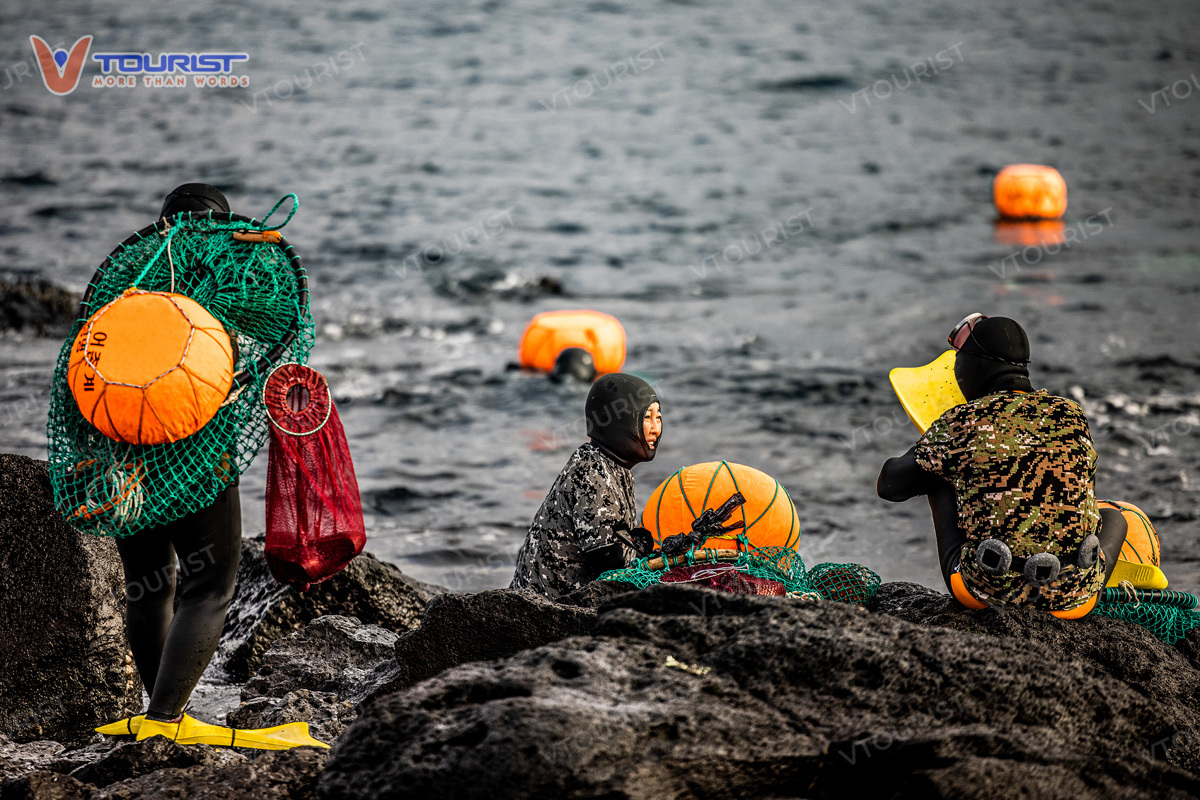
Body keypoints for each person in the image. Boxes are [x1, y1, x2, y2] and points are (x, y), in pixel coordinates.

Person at [877, 314, 1126, 616]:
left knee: (938, 474)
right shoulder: (1070, 414)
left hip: (987, 592)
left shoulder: (964, 420)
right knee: (1114, 517)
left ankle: (974, 569)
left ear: (977, 365)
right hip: (1073, 600)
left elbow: (889, 484)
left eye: (958, 362)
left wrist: (940, 444)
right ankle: (1080, 579)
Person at [115, 183, 243, 728]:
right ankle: (166, 719)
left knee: (149, 588)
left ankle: (159, 711)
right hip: (200, 457)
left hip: (125, 456)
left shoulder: (125, 289)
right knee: (209, 588)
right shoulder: (227, 290)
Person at [511, 373, 662, 598]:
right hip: (547, 607)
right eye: (646, 418)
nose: (655, 429)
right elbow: (610, 566)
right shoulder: (592, 473)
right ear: (618, 420)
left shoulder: (608, 463)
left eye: (658, 417)